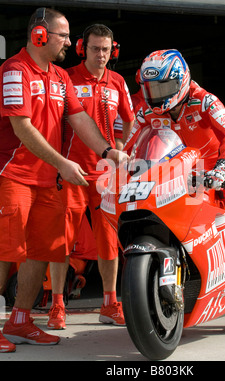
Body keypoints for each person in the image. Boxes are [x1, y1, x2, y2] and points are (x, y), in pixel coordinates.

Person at [0, 8, 127, 353]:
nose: (71, 43)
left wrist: (106, 152)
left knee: (43, 250)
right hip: (13, 176)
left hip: (48, 180)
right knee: (5, 251)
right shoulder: (15, 70)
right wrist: (64, 163)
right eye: (64, 35)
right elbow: (21, 127)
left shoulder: (59, 76)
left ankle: (21, 321)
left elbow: (80, 117)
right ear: (40, 36)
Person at [127, 49, 225, 284]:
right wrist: (120, 167)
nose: (158, 95)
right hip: (182, 171)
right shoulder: (146, 112)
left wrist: (223, 165)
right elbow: (129, 146)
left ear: (181, 80)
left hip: (221, 164)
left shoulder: (205, 100)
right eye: (152, 89)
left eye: (163, 88)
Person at [47, 24, 135, 330]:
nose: (101, 55)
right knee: (61, 241)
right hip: (71, 172)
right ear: (83, 48)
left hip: (106, 177)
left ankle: (110, 303)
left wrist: (120, 150)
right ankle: (57, 305)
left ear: (114, 51)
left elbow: (130, 121)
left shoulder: (118, 82)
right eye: (96, 49)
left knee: (109, 243)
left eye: (106, 50)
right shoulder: (65, 77)